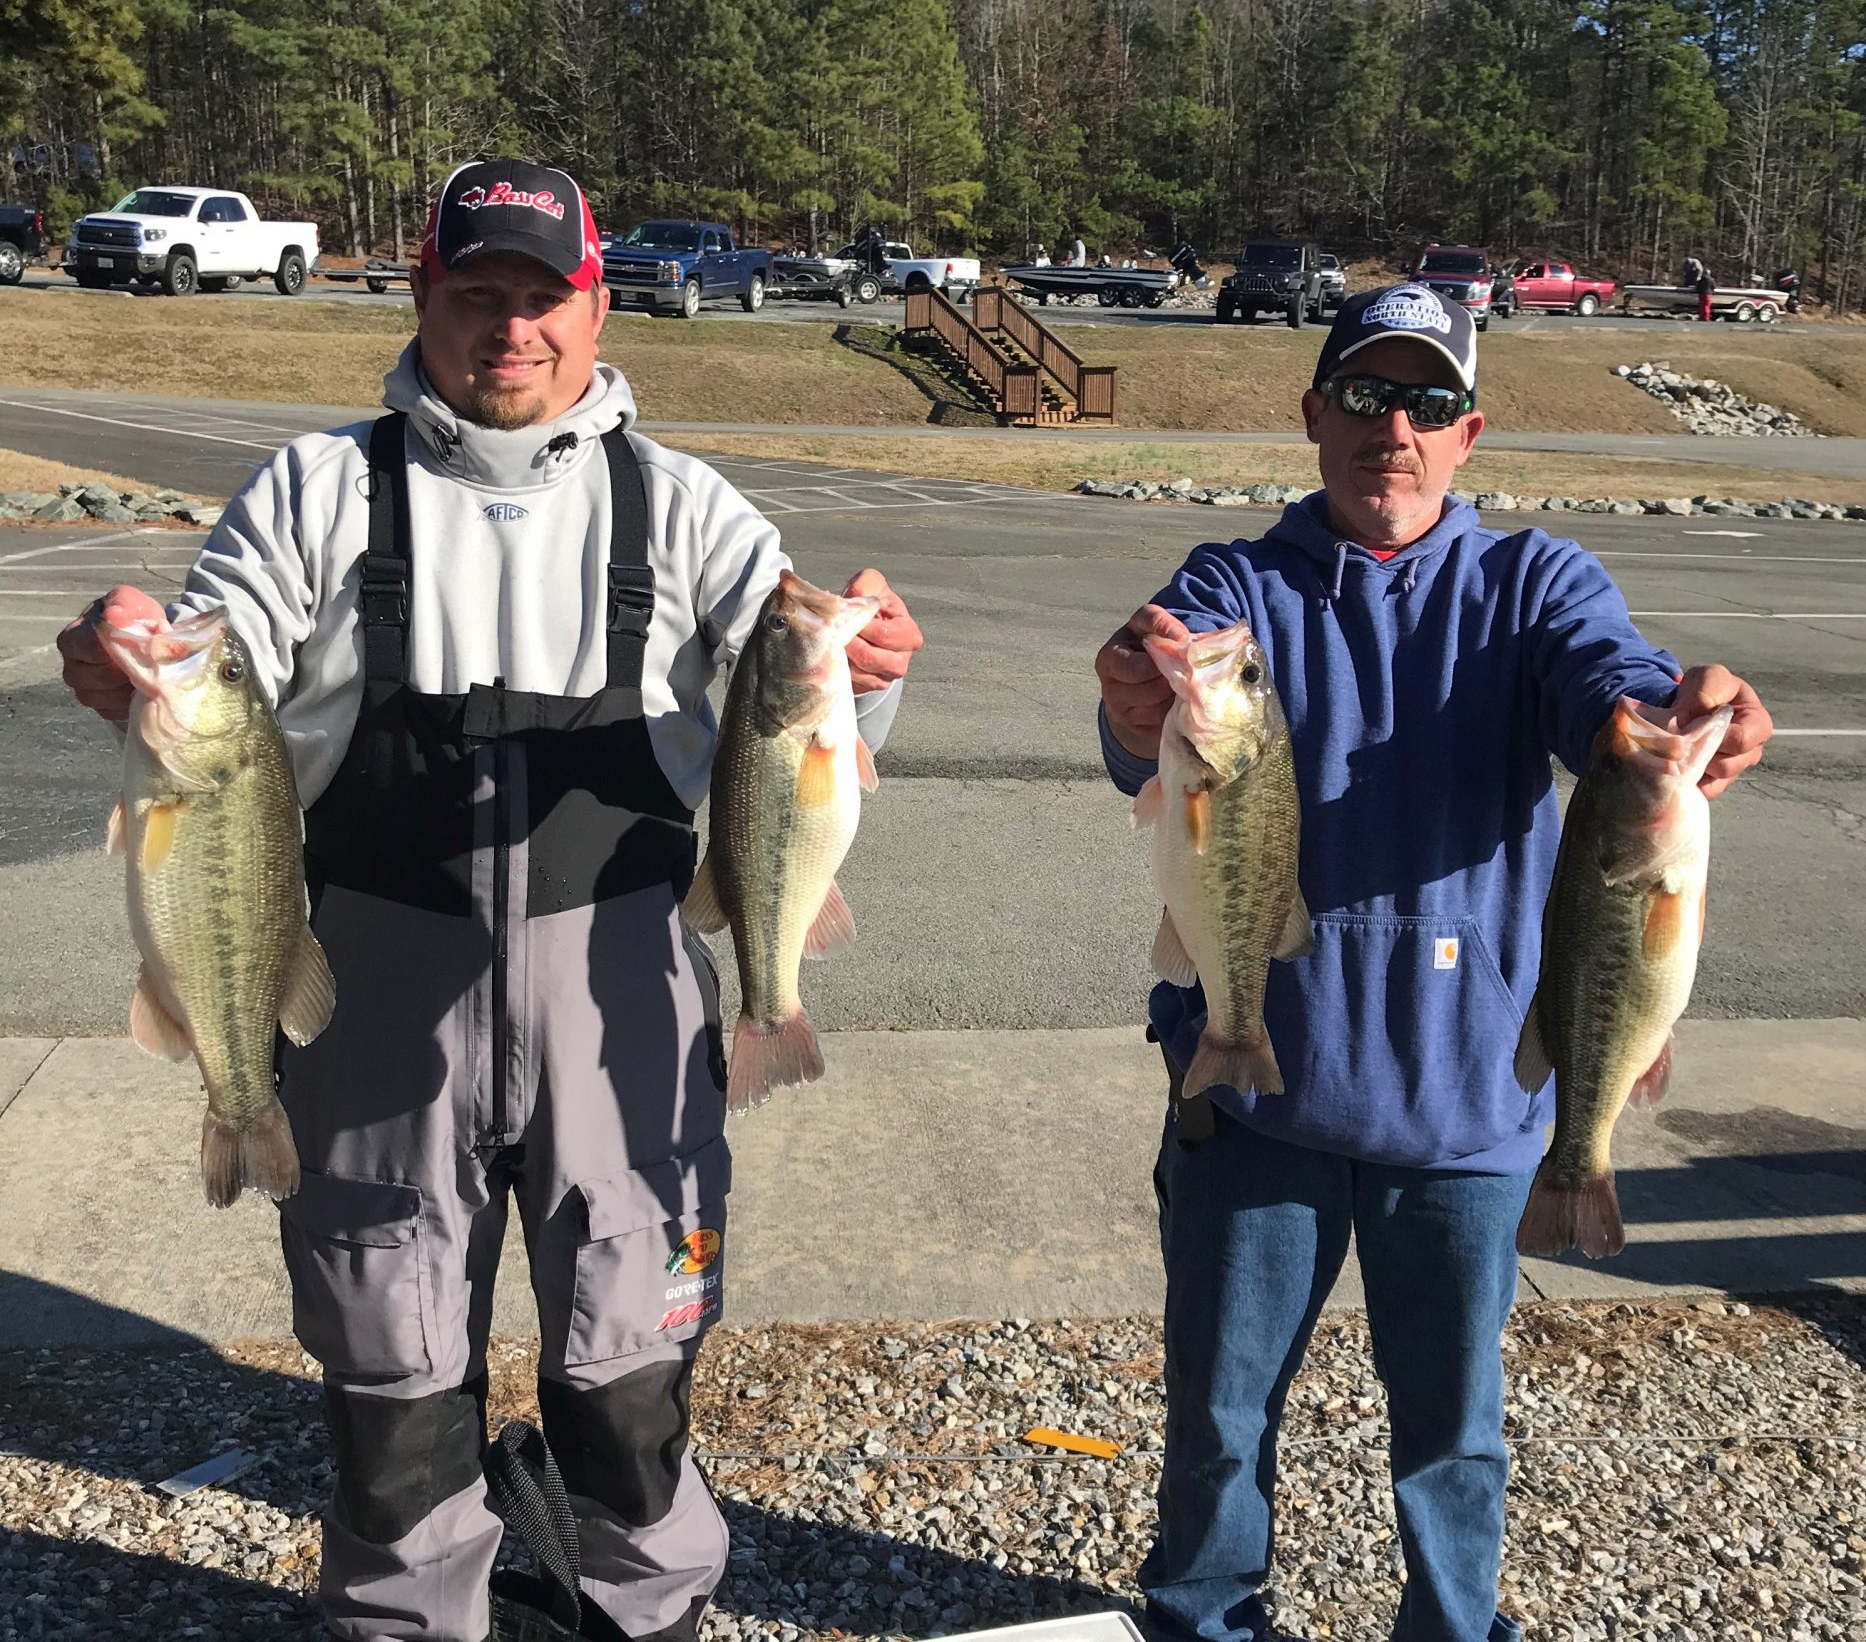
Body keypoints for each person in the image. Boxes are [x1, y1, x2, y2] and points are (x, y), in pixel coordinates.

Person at [58, 159, 924, 1642]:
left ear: (595, 307)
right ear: (423, 297)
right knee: (391, 1367)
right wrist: (125, 649)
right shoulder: (318, 488)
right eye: (478, 296)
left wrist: (871, 671)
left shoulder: (686, 503)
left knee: (629, 1352)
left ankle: (643, 1616)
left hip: (625, 988)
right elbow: (208, 656)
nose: (510, 331)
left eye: (543, 300)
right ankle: (406, 1620)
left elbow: (805, 722)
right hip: (376, 989)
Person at [1093, 282, 1770, 1642]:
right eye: (1362, 394)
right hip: (1256, 1094)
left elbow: (1608, 688)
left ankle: (1452, 1629)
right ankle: (1201, 1620)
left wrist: (1669, 714)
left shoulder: (1534, 584)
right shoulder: (1238, 583)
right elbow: (1154, 706)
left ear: (1469, 435)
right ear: (1310, 416)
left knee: (1451, 1432)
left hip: (1471, 1110)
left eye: (1428, 401)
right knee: (1218, 1413)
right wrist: (1131, 694)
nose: (1390, 428)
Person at [1685, 254, 1715, 322]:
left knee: (1702, 306)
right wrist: (1712, 291)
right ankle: (1706, 318)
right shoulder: (1711, 280)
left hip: (1702, 294)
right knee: (1706, 306)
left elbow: (1698, 284)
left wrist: (1697, 290)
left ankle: (1702, 317)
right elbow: (1713, 286)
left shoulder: (1702, 279)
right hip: (1708, 294)